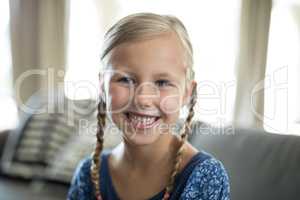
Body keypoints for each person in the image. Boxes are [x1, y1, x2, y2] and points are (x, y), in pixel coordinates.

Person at [67, 12, 230, 200]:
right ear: (102, 86)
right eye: (126, 79)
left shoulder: (205, 177)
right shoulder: (89, 175)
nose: (143, 99)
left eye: (162, 82)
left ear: (187, 93)